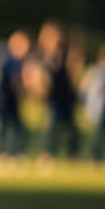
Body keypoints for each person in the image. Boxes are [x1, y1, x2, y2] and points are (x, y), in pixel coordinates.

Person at [37, 21, 81, 161]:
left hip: (66, 94)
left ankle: (73, 153)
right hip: (53, 96)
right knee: (53, 125)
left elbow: (72, 74)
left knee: (70, 126)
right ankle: (47, 152)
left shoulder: (65, 54)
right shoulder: (44, 55)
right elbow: (41, 77)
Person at [0, 29, 32, 163]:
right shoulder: (10, 60)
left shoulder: (12, 59)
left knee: (14, 128)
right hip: (4, 101)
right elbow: (16, 81)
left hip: (11, 101)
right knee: (8, 128)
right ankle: (6, 154)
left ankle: (10, 153)